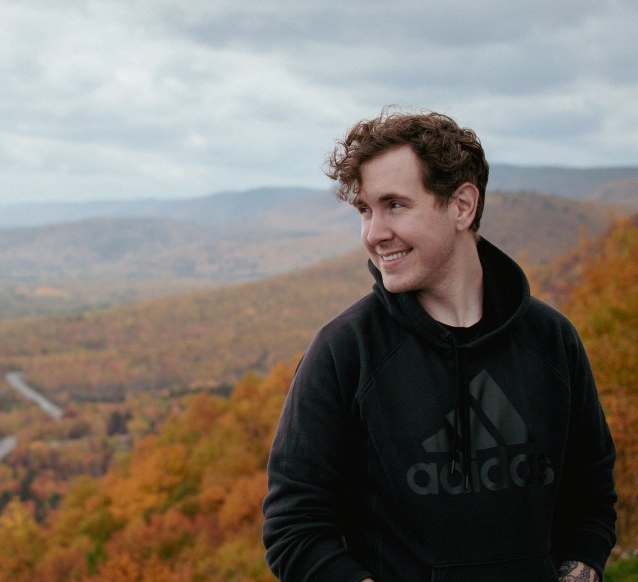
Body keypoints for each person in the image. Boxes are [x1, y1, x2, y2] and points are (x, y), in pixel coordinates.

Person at [262, 109, 617, 582]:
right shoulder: (345, 351)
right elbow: (294, 529)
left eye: (395, 205)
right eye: (366, 210)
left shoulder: (552, 340)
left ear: (462, 206)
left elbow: (591, 494)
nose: (374, 233)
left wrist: (582, 568)